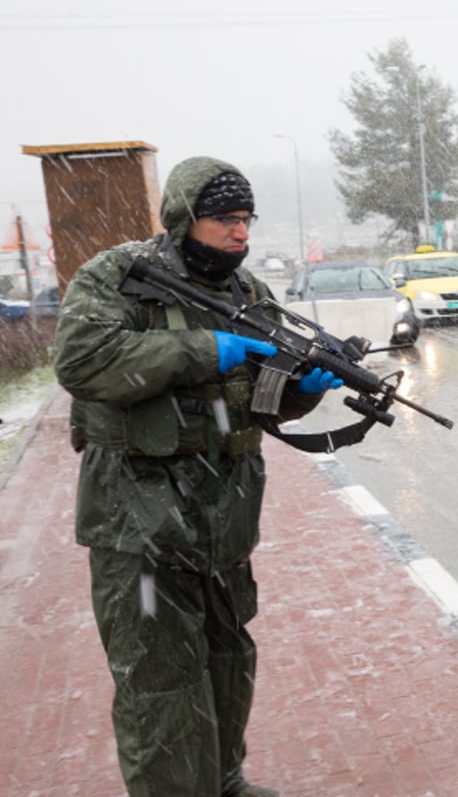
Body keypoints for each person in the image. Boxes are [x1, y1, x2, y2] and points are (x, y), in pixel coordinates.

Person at [54, 156, 342, 797]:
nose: (241, 234)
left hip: (223, 518)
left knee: (227, 661)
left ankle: (223, 780)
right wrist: (207, 349)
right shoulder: (119, 277)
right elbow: (83, 360)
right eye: (226, 220)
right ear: (187, 218)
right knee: (159, 680)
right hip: (138, 520)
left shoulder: (248, 294)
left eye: (247, 220)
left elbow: (259, 404)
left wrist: (302, 390)